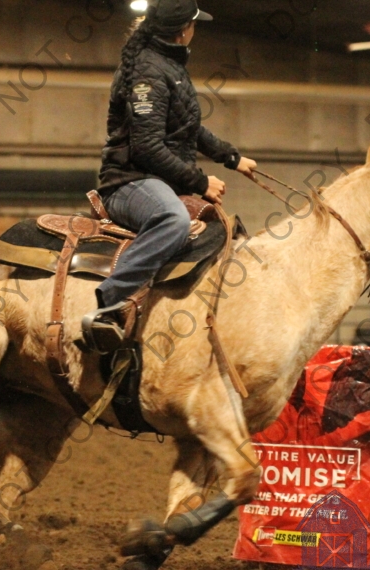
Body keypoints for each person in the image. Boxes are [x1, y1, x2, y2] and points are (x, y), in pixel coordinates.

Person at [80, 0, 257, 353]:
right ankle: (109, 304)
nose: (195, 29)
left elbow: (188, 128)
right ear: (183, 30)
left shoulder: (168, 66)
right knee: (172, 220)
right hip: (128, 182)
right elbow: (146, 147)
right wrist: (200, 182)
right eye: (194, 24)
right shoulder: (148, 73)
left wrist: (231, 157)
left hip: (157, 180)